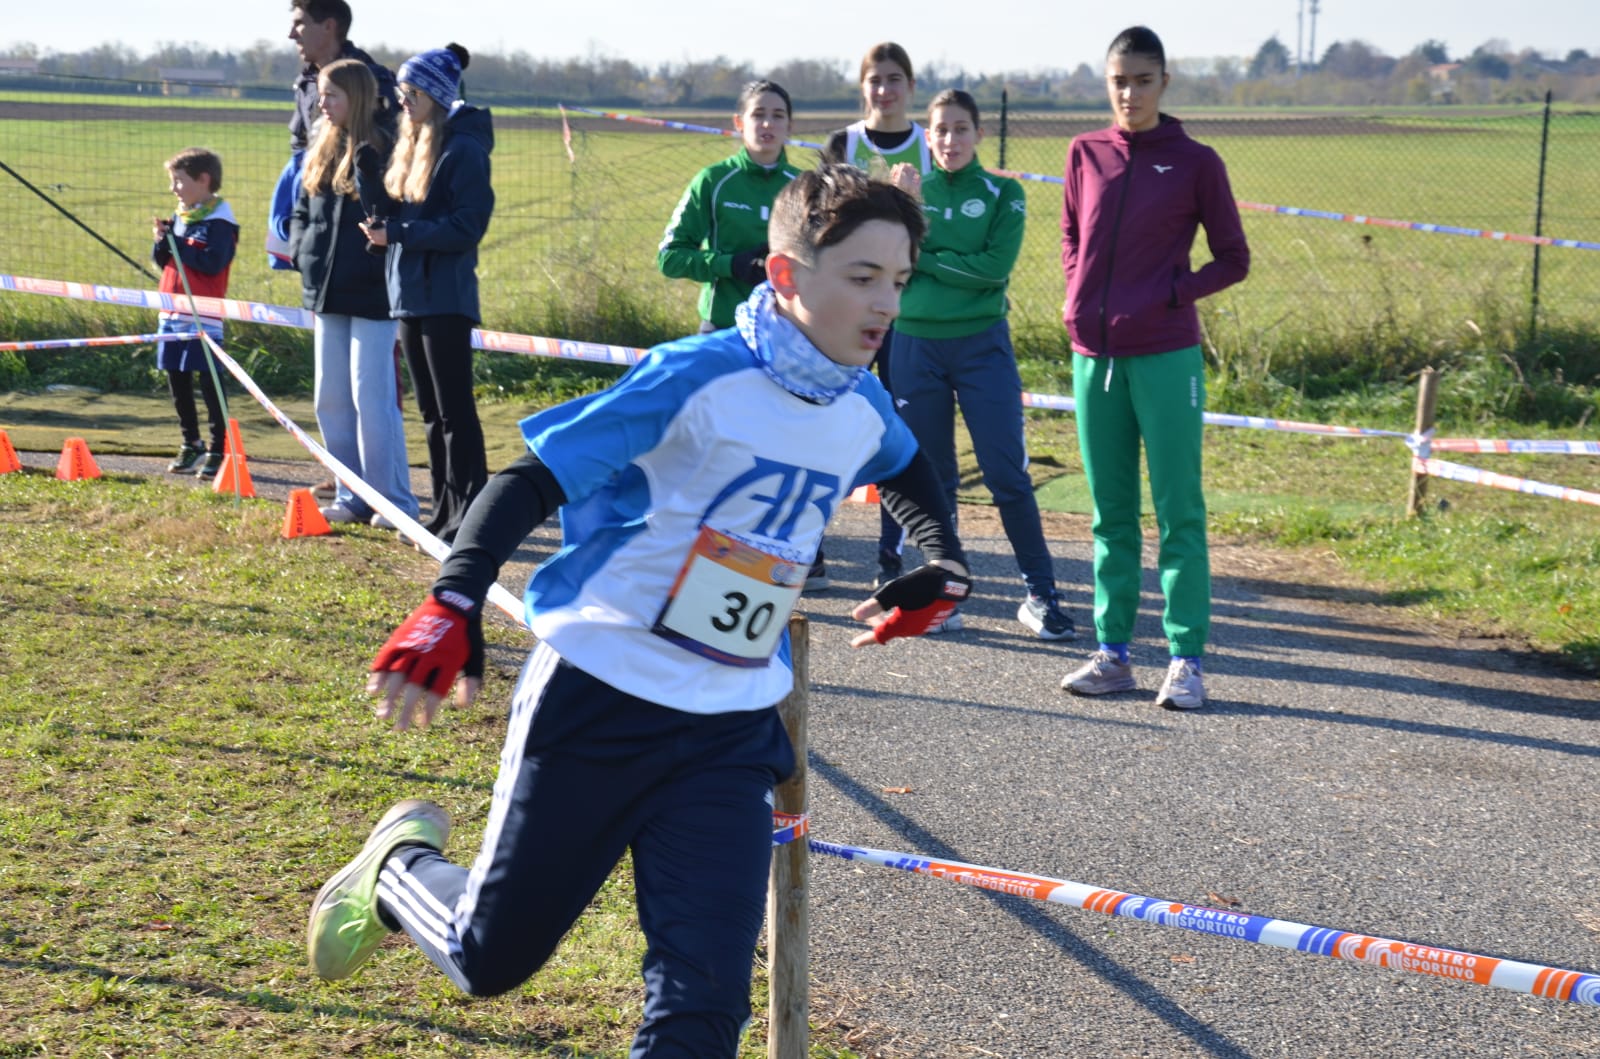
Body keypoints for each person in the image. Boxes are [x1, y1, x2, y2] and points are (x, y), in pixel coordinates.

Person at [307, 164, 973, 1058]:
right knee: (487, 956)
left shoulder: (859, 401)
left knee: (703, 1013)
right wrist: (454, 597)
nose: (886, 302)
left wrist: (943, 558)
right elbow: (530, 478)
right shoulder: (696, 377)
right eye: (862, 276)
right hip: (599, 696)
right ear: (784, 275)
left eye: (899, 279)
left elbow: (904, 462)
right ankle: (398, 869)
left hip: (730, 733)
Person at [1058, 26, 1250, 709]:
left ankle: (1185, 659)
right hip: (1094, 357)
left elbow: (1234, 258)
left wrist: (1170, 294)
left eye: (1142, 81)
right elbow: (1072, 235)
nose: (1129, 94)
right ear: (1106, 82)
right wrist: (1077, 296)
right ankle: (1112, 653)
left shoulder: (1197, 162)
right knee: (1110, 515)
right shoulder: (1084, 153)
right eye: (1119, 81)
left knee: (1178, 511)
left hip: (1166, 354)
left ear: (1164, 83)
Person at [888, 89, 1076, 640]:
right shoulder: (906, 193)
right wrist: (903, 209)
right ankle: (944, 596)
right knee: (933, 478)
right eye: (941, 130)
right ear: (928, 136)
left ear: (978, 134)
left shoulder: (1003, 192)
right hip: (914, 345)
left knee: (1006, 475)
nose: (951, 140)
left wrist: (925, 255)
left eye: (961, 129)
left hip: (981, 346)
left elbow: (993, 270)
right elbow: (889, 259)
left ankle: (1041, 595)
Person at [361, 44, 493, 546]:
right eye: (402, 92)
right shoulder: (414, 144)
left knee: (455, 412)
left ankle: (470, 518)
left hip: (446, 299)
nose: (402, 101)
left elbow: (466, 227)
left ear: (435, 95)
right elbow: (401, 217)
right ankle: (442, 513)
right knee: (431, 415)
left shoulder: (464, 150)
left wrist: (400, 235)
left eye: (411, 93)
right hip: (410, 297)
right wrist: (368, 183)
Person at [288, 59, 419, 530]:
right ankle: (352, 495)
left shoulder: (386, 146)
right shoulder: (320, 145)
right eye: (321, 94)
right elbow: (301, 210)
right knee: (331, 399)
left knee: (372, 399)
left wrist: (368, 176)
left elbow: (392, 211)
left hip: (374, 293)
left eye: (332, 95)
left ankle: (394, 502)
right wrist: (302, 252)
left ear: (356, 97)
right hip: (326, 292)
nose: (322, 103)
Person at [824, 41, 934, 594]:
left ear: (910, 87)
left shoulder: (930, 145)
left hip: (906, 315)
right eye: (875, 80)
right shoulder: (843, 143)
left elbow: (934, 236)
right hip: (848, 310)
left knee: (896, 428)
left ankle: (890, 556)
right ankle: (807, 548)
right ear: (862, 86)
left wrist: (907, 207)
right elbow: (824, 224)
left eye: (894, 79)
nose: (884, 90)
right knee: (824, 420)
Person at [658, 79, 801, 334]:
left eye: (778, 116)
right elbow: (670, 258)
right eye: (758, 114)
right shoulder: (712, 180)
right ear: (739, 123)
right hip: (722, 330)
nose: (767, 124)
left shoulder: (803, 186)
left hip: (787, 331)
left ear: (789, 125)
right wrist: (731, 265)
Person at [151, 147, 238, 479]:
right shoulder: (181, 216)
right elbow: (164, 261)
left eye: (179, 181)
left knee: (210, 381)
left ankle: (219, 448)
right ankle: (191, 443)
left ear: (203, 180)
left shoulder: (221, 222)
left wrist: (178, 244)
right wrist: (162, 241)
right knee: (177, 378)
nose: (173, 188)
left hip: (203, 315)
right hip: (171, 313)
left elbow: (213, 262)